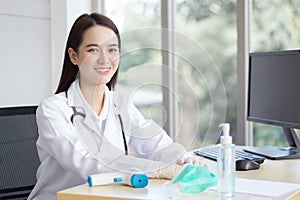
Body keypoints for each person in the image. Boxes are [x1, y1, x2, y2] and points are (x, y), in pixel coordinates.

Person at [28, 13, 205, 199]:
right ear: (74, 56)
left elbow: (157, 143)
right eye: (93, 50)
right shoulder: (53, 109)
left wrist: (184, 159)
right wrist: (159, 170)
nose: (105, 60)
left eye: (112, 50)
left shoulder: (120, 104)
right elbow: (85, 162)